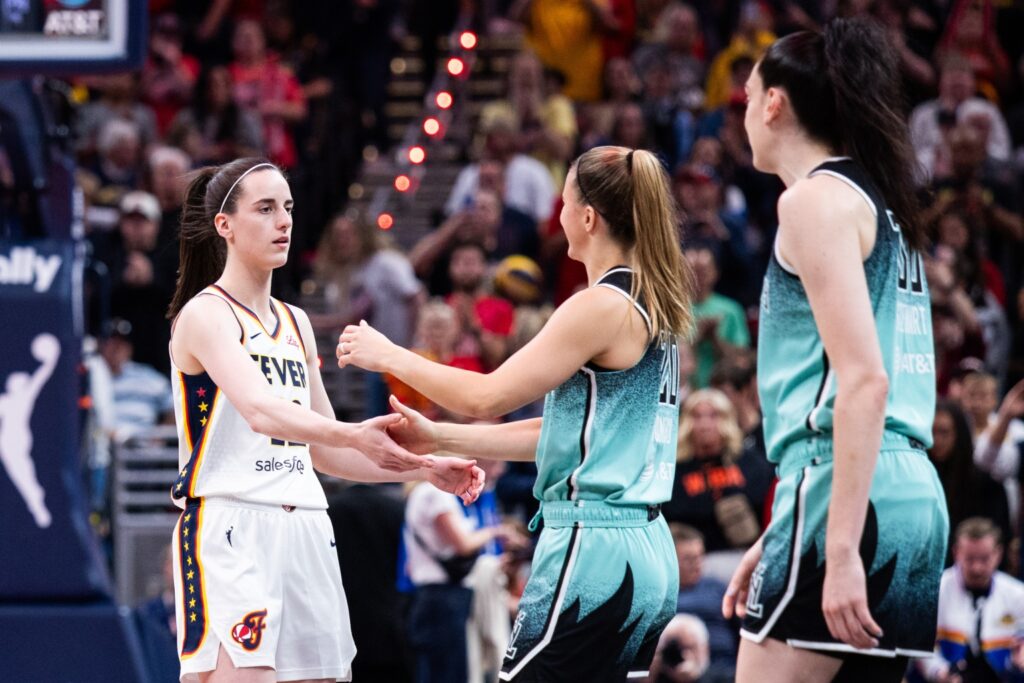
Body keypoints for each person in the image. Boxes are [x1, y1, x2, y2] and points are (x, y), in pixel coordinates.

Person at [337, 144, 695, 681]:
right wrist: (438, 438)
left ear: (589, 217)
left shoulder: (599, 305)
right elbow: (569, 433)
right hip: (645, 548)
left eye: (565, 202)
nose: (559, 213)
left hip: (593, 547)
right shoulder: (654, 303)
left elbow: (486, 397)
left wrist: (388, 354)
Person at [164, 157, 484, 682]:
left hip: (309, 526)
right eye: (265, 209)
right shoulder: (204, 314)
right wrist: (354, 431)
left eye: (287, 208)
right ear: (225, 225)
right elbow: (262, 411)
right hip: (232, 527)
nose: (284, 221)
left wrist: (422, 470)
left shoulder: (298, 323)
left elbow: (328, 453)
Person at [721, 19, 948, 683]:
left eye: (749, 93)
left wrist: (838, 543)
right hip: (905, 494)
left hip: (848, 497)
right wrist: (778, 532)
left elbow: (863, 381)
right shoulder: (881, 203)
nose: (743, 108)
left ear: (775, 103)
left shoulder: (814, 201)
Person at [917, 518, 1024, 682]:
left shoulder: (1017, 594)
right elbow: (919, 646)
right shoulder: (933, 591)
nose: (977, 568)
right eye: (969, 558)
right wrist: (940, 672)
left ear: (998, 554)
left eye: (984, 558)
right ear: (956, 553)